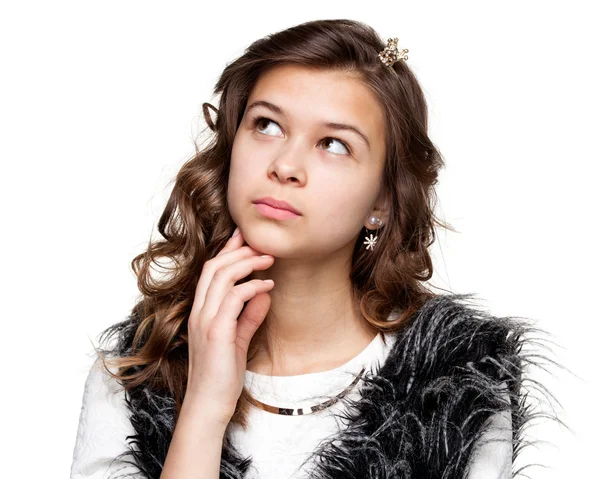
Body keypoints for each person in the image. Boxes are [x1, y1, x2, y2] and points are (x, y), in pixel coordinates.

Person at [70, 19, 560, 479]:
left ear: (382, 203)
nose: (285, 165)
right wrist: (203, 407)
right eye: (266, 125)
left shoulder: (457, 383)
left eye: (334, 144)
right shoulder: (133, 371)